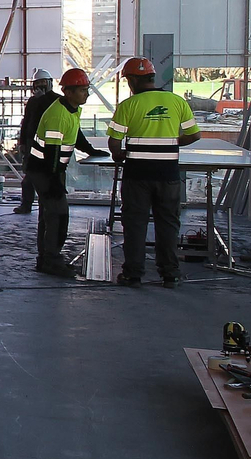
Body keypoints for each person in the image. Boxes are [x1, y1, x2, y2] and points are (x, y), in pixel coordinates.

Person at [108, 57, 201, 288]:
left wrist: (119, 154)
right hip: (168, 175)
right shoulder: (176, 101)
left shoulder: (128, 106)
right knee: (168, 223)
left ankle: (133, 274)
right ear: (151, 77)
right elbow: (194, 135)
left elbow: (114, 142)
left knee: (135, 224)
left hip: (137, 176)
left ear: (132, 81)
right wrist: (172, 142)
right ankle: (170, 274)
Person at [24, 69, 99, 277]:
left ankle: (45, 258)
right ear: (68, 92)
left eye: (87, 90)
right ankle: (52, 260)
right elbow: (52, 152)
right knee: (58, 214)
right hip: (44, 169)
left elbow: (75, 132)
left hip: (50, 168)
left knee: (48, 214)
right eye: (83, 90)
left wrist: (90, 149)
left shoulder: (72, 109)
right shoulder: (58, 114)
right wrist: (55, 180)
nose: (86, 94)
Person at [13, 68, 57, 213]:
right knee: (29, 177)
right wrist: (23, 142)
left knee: (46, 177)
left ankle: (45, 205)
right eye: (37, 83)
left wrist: (42, 99)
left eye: (43, 82)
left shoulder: (56, 100)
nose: (40, 86)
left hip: (49, 144)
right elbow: (26, 122)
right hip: (32, 143)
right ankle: (26, 205)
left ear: (50, 83)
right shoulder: (32, 101)